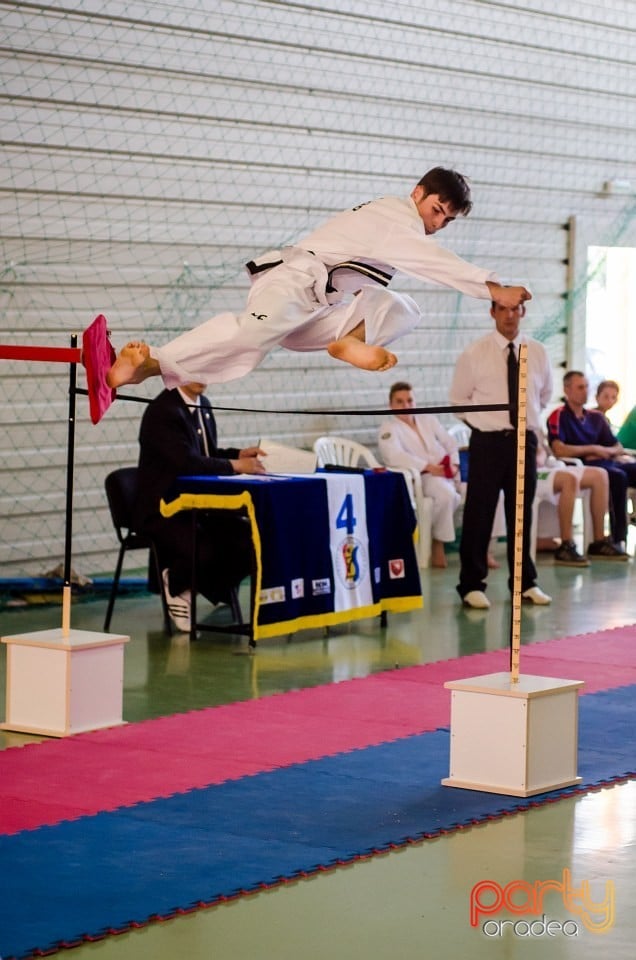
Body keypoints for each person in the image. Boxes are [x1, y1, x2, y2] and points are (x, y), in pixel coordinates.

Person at [106, 168, 531, 390]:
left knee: (404, 308)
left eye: (447, 219)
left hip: (319, 309)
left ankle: (352, 339)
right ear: (417, 192)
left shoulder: (404, 228)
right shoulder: (394, 216)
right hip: (293, 282)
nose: (438, 223)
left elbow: (424, 256)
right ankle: (149, 361)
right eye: (437, 210)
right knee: (249, 338)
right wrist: (493, 288)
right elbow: (432, 261)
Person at [136, 381, 266, 632]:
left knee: (248, 540)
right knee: (203, 547)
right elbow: (185, 463)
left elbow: (206, 452)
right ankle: (177, 583)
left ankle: (206, 585)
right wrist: (233, 467)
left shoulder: (203, 405)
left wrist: (238, 455)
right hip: (165, 507)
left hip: (199, 504)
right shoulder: (163, 411)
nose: (203, 375)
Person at [449, 298, 552, 609]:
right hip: (487, 443)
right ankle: (471, 584)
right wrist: (486, 425)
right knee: (479, 513)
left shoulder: (537, 351)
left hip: (523, 441)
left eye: (514, 309)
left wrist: (523, 425)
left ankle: (525, 583)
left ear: (522, 312)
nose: (509, 315)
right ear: (492, 312)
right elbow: (458, 400)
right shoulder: (475, 353)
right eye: (502, 309)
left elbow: (543, 395)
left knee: (521, 514)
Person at [547, 371, 636, 552]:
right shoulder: (558, 415)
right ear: (567, 390)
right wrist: (593, 449)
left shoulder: (596, 417)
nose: (585, 391)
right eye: (580, 387)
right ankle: (617, 539)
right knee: (618, 477)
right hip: (582, 466)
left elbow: (617, 447)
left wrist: (604, 451)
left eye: (587, 386)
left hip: (606, 461)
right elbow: (559, 449)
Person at [378, 381, 461, 568]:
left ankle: (486, 549)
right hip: (421, 478)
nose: (406, 406)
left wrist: (454, 463)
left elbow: (450, 442)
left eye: (410, 400)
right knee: (447, 495)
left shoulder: (427, 420)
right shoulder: (389, 429)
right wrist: (429, 467)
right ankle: (438, 543)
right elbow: (394, 456)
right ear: (391, 405)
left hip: (447, 471)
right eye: (399, 401)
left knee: (485, 492)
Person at [534, 440, 626, 565]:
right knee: (569, 479)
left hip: (546, 465)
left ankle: (599, 542)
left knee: (600, 474)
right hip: (528, 470)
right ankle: (566, 545)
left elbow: (540, 448)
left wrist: (541, 455)